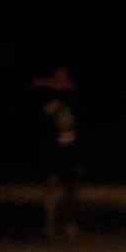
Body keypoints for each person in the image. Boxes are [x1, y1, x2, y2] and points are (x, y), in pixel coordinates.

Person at [34, 66, 82, 238]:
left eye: (64, 76)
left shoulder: (71, 96)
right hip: (53, 148)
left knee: (70, 186)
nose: (61, 79)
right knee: (51, 184)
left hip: (70, 148)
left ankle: (69, 220)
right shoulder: (47, 96)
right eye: (58, 76)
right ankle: (49, 221)